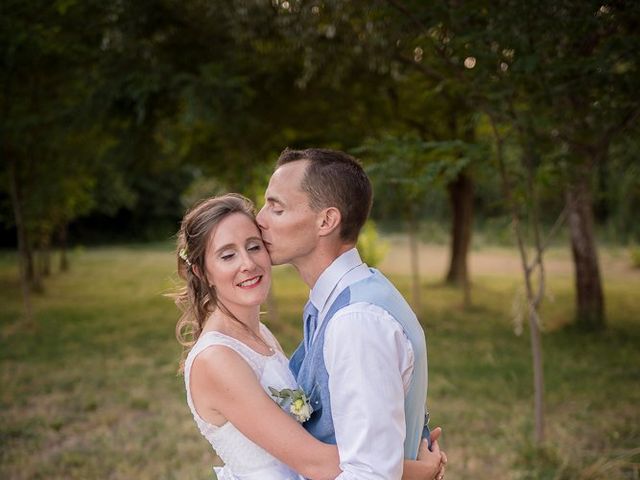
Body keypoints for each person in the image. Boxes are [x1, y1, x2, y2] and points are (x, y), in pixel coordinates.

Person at [175, 193, 446, 480]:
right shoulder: (217, 359)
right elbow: (314, 462)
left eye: (254, 247)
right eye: (227, 255)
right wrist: (419, 471)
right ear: (202, 272)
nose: (248, 263)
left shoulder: (259, 334)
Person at [256, 148, 447, 480]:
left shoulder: (356, 321)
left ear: (327, 221)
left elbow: (370, 474)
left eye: (277, 208)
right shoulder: (346, 297)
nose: (259, 219)